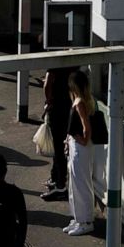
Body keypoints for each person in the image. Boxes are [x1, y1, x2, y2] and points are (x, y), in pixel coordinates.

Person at [64, 69, 97, 236]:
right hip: (76, 145)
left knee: (81, 184)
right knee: (75, 183)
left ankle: (85, 221)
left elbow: (86, 128)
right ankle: (78, 218)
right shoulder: (81, 101)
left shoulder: (80, 103)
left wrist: (81, 140)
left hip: (80, 148)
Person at [41, 66, 77, 201]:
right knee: (61, 146)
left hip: (57, 109)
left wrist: (48, 101)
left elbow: (47, 84)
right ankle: (56, 177)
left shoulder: (55, 62)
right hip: (68, 107)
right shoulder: (73, 62)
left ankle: (60, 184)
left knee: (58, 147)